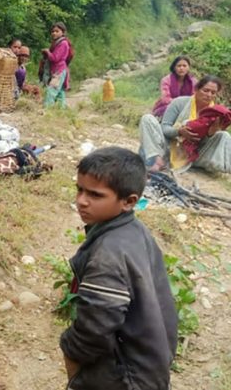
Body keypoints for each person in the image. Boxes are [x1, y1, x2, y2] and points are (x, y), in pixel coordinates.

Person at [61, 147, 177, 390]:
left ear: (129, 201)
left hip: (127, 377)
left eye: (95, 195)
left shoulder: (108, 254)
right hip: (151, 362)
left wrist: (71, 355)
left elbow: (95, 325)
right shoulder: (135, 231)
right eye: (79, 189)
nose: (81, 201)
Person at [139, 75, 231, 174]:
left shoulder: (215, 113)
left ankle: (216, 167)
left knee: (224, 136)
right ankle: (157, 160)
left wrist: (210, 133)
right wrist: (179, 131)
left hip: (193, 155)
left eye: (213, 93)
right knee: (147, 119)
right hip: (168, 147)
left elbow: (205, 144)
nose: (209, 95)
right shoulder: (179, 103)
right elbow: (164, 128)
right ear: (197, 89)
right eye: (206, 90)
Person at [39, 22, 73, 108]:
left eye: (57, 31)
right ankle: (62, 110)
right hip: (58, 70)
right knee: (60, 92)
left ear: (63, 32)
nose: (54, 33)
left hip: (59, 71)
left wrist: (47, 52)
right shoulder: (57, 43)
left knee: (51, 90)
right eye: (53, 31)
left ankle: (47, 110)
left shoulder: (63, 43)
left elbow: (55, 58)